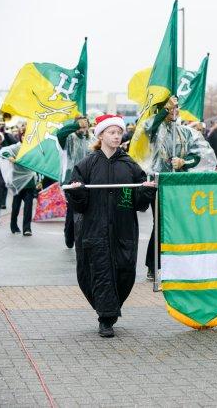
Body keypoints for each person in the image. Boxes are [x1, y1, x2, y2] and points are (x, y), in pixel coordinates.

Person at [65, 115, 156, 337]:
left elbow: (138, 203)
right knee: (99, 271)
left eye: (119, 132)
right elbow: (79, 205)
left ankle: (111, 311)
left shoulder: (130, 165)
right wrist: (77, 192)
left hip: (123, 229)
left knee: (124, 271)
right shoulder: (86, 164)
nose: (116, 136)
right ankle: (106, 317)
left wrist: (145, 190)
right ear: (101, 135)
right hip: (94, 229)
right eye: (111, 132)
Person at [143, 96, 201, 281]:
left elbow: (197, 156)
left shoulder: (185, 132)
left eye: (176, 108)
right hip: (158, 183)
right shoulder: (154, 128)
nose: (175, 111)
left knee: (177, 224)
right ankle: (153, 265)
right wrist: (165, 110)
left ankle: (176, 263)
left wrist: (184, 161)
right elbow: (148, 126)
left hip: (178, 184)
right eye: (170, 109)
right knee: (159, 223)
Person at [56, 115, 94, 248]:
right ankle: (69, 234)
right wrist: (77, 125)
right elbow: (60, 134)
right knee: (72, 209)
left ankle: (84, 236)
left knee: (87, 210)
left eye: (85, 125)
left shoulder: (91, 140)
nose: (83, 127)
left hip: (88, 179)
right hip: (70, 178)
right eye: (80, 125)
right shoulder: (69, 138)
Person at [0, 143, 37, 235]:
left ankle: (27, 229)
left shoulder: (34, 148)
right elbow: (4, 152)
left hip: (30, 183)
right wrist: (9, 157)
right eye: (24, 134)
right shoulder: (16, 148)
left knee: (28, 207)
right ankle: (14, 226)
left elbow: (40, 165)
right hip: (17, 182)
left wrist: (39, 180)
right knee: (16, 206)